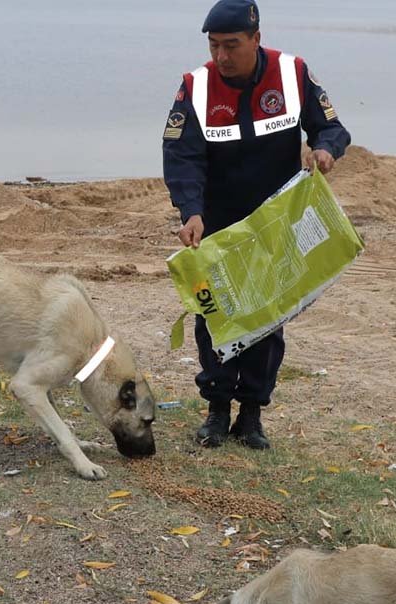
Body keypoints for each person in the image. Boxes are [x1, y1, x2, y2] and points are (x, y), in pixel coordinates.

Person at [162, 0, 350, 450]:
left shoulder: (292, 73)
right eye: (214, 45)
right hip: (218, 224)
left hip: (276, 222)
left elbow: (332, 127)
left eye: (231, 45)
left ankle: (251, 415)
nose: (222, 56)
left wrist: (325, 149)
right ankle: (216, 410)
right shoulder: (196, 86)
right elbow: (181, 156)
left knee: (267, 318)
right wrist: (190, 210)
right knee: (216, 314)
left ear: (256, 39)